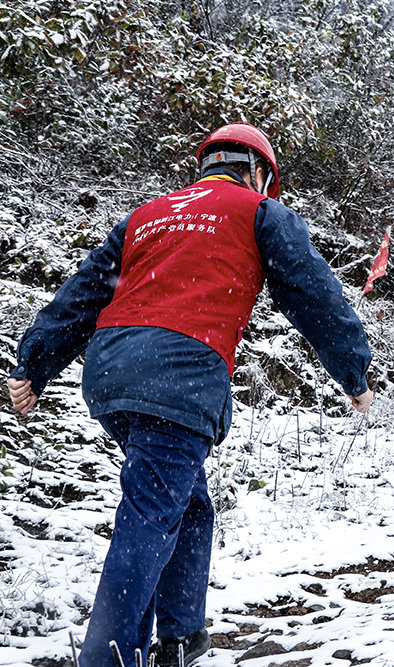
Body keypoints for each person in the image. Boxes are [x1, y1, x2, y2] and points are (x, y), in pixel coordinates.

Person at [5, 122, 374, 667]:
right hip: (180, 373)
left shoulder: (146, 215)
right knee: (150, 515)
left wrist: (34, 365)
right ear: (258, 173)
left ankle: (180, 637)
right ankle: (107, 658)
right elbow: (312, 292)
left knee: (190, 505)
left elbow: (81, 294)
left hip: (111, 372)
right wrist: (354, 373)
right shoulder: (258, 212)